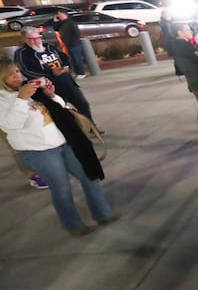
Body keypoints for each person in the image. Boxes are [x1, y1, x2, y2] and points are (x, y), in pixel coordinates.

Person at [0, 58, 119, 236]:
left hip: (63, 143)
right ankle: (73, 225)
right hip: (38, 152)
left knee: (89, 175)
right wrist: (22, 99)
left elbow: (61, 109)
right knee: (61, 187)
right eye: (10, 75)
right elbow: (11, 125)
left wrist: (51, 95)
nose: (17, 76)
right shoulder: (8, 99)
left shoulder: (29, 89)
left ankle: (102, 214)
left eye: (17, 71)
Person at [14, 27, 94, 122]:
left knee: (83, 105)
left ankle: (91, 128)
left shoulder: (48, 46)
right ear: (24, 39)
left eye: (37, 38)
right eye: (31, 39)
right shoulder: (22, 53)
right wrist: (50, 72)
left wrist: (66, 66)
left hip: (67, 82)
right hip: (49, 87)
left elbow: (64, 57)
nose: (36, 41)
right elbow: (26, 71)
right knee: (61, 111)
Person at [53, 10, 87, 78]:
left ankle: (81, 73)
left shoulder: (70, 23)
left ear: (64, 15)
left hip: (74, 43)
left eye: (60, 15)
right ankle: (77, 72)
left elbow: (76, 32)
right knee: (73, 59)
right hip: (68, 44)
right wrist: (55, 21)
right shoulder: (62, 23)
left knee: (77, 58)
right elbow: (56, 28)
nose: (59, 16)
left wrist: (73, 40)